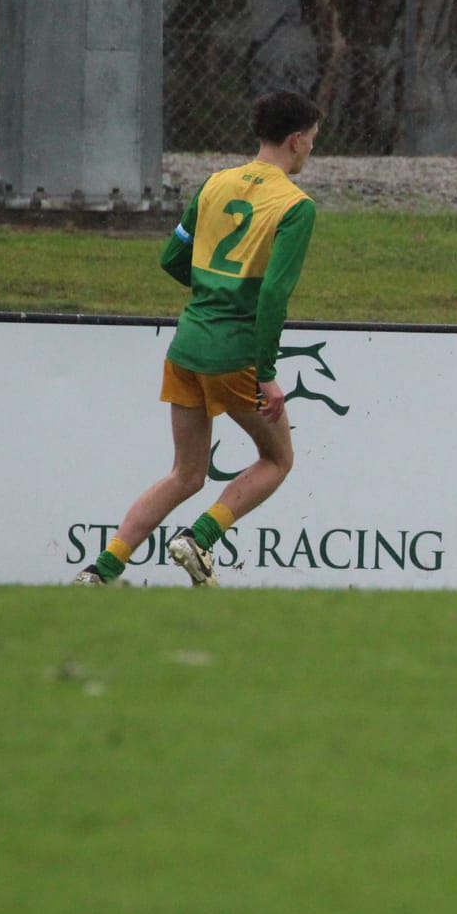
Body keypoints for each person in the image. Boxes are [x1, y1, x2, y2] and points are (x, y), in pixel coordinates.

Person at [75, 89, 322, 587]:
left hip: (186, 346)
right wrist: (267, 375)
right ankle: (199, 538)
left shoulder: (214, 184)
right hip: (234, 353)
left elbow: (172, 257)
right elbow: (273, 295)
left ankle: (101, 570)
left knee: (185, 474)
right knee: (278, 459)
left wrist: (212, 289)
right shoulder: (296, 206)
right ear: (296, 140)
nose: (313, 148)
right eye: (313, 139)